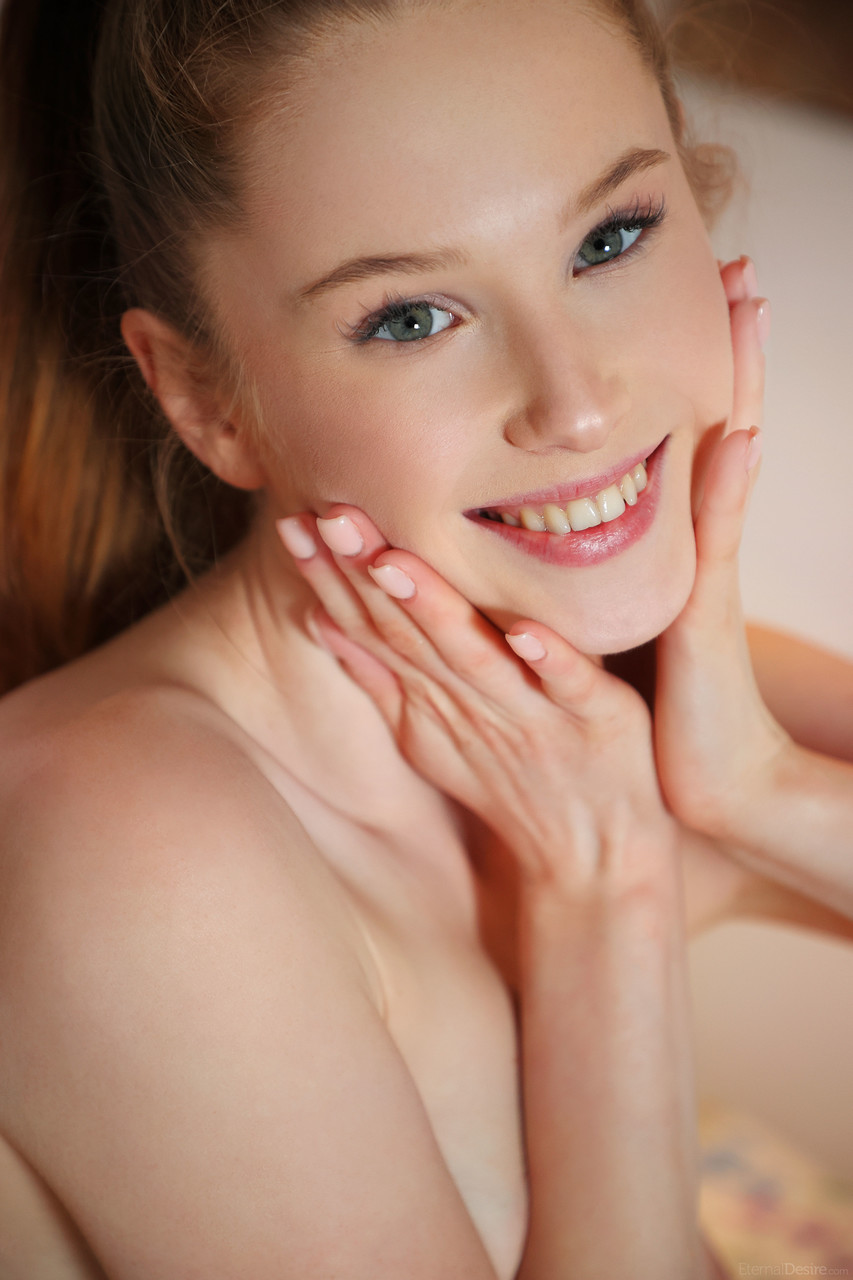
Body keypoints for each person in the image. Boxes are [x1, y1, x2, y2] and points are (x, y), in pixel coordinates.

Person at [0, 0, 850, 1276]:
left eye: (610, 237)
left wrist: (755, 787)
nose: (575, 405)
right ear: (205, 398)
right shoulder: (131, 848)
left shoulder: (617, 696)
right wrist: (605, 884)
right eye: (411, 317)